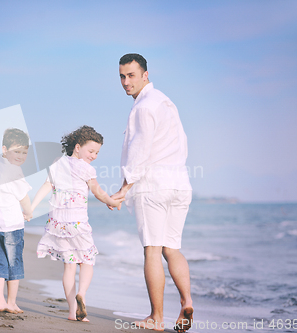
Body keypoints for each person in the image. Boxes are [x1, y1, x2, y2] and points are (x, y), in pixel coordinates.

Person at [110, 54, 193, 332]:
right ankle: (187, 301)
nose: (125, 82)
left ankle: (156, 318)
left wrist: (124, 188)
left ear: (145, 74)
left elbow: (140, 150)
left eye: (131, 75)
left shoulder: (144, 107)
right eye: (122, 76)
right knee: (172, 248)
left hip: (153, 185)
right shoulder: (166, 102)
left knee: (152, 250)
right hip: (179, 183)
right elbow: (181, 142)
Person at [30, 125, 124, 322]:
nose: (94, 156)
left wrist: (31, 207)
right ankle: (81, 293)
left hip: (58, 223)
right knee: (87, 261)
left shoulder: (57, 163)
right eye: (91, 151)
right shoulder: (87, 168)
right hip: (77, 222)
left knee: (69, 267)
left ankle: (73, 311)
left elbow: (47, 186)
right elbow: (98, 192)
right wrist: (112, 201)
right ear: (77, 147)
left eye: (97, 152)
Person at [0, 128, 33, 314]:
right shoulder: (15, 171)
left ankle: (0, 301)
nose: (20, 156)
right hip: (11, 225)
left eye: (24, 152)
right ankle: (11, 302)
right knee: (14, 262)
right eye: (16, 151)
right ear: (4, 149)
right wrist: (29, 211)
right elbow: (23, 198)